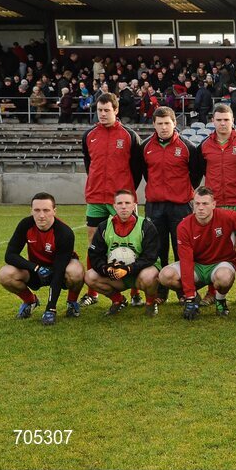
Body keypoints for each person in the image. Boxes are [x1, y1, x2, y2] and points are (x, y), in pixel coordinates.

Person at [78, 92, 144, 308]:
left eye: (107, 110)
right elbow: (90, 164)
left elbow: (136, 169)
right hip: (96, 197)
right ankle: (92, 293)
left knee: (130, 244)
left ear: (116, 110)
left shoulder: (129, 136)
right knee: (94, 246)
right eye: (100, 110)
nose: (103, 114)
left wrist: (126, 194)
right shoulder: (89, 135)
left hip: (121, 200)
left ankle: (135, 292)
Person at [160, 187, 236, 321]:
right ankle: (194, 297)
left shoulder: (227, 217)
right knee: (165, 275)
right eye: (197, 203)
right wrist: (189, 297)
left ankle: (220, 300)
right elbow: (186, 262)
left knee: (224, 277)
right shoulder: (184, 226)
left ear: (213, 205)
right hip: (197, 267)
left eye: (205, 204)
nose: (200, 208)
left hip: (220, 264)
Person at [141, 106, 203, 302]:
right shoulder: (144, 147)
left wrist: (182, 191)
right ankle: (161, 292)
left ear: (175, 123)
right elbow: (144, 173)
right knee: (158, 249)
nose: (163, 127)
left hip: (181, 206)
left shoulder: (188, 147)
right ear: (154, 125)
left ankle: (184, 290)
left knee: (182, 249)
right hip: (155, 205)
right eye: (159, 124)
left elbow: (196, 175)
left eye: (167, 123)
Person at [0, 192, 84, 325]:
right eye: (37, 210)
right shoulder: (25, 225)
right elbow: (10, 255)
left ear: (54, 211)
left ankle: (72, 303)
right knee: (5, 274)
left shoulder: (65, 233)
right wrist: (35, 267)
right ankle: (30, 301)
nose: (41, 215)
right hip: (37, 269)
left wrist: (51, 308)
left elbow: (59, 271)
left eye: (46, 210)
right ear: (31, 211)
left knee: (76, 272)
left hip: (61, 270)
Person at [199, 104, 236, 305]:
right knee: (215, 248)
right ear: (213, 121)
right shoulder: (204, 145)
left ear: (233, 121)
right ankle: (212, 292)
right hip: (217, 205)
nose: (222, 123)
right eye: (219, 120)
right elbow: (200, 171)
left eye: (226, 120)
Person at [85, 189, 162, 316]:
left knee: (150, 276)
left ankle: (150, 303)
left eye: (127, 203)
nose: (124, 207)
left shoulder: (146, 226)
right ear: (114, 206)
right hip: (116, 275)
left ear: (134, 205)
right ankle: (118, 301)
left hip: (139, 274)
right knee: (90, 276)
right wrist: (105, 269)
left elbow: (150, 257)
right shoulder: (104, 226)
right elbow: (95, 255)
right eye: (120, 203)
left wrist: (128, 269)